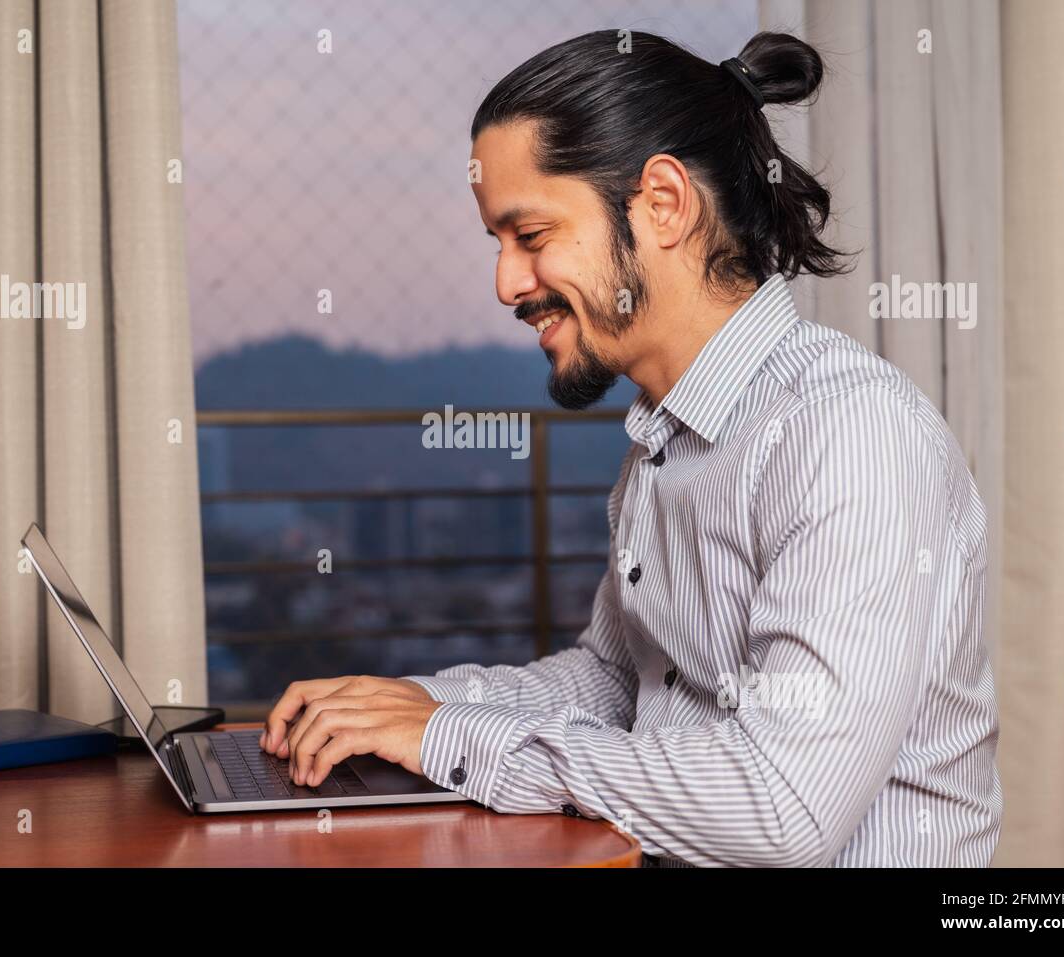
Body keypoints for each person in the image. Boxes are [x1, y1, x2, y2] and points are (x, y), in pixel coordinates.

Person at [261, 29, 1002, 867]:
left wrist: (446, 737)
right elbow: (619, 684)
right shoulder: (664, 437)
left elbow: (782, 809)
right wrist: (411, 705)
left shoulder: (850, 435)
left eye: (531, 236)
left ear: (663, 203)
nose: (506, 283)